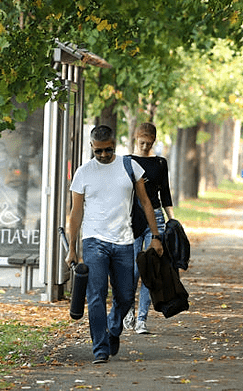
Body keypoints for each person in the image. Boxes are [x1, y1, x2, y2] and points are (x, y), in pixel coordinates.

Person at [66, 125, 163, 364]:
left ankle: (114, 328)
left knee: (126, 296)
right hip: (94, 241)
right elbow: (76, 213)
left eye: (108, 150)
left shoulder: (130, 167)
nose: (103, 155)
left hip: (123, 242)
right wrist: (72, 247)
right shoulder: (83, 173)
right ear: (91, 147)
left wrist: (156, 236)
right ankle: (100, 349)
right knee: (96, 295)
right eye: (98, 151)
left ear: (114, 145)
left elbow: (146, 203)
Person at [123, 122, 175, 335]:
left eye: (149, 143)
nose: (145, 146)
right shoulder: (126, 162)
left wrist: (173, 220)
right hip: (132, 218)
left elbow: (166, 194)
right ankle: (128, 311)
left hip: (155, 217)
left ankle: (142, 319)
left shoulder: (160, 163)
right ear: (136, 139)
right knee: (133, 269)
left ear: (154, 141)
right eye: (142, 142)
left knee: (149, 269)